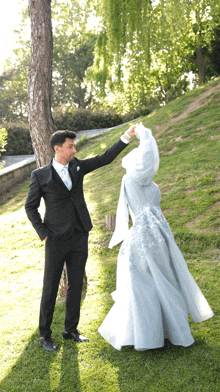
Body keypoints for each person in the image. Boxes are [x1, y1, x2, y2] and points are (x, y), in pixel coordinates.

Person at [98, 122, 214, 351]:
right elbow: (149, 160)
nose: (144, 162)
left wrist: (144, 137)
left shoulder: (146, 180)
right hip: (146, 237)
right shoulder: (132, 178)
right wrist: (144, 136)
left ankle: (166, 331)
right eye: (140, 160)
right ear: (135, 163)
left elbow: (149, 164)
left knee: (164, 281)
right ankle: (151, 334)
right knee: (149, 285)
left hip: (157, 235)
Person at [25, 127, 136, 352]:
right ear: (57, 149)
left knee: (76, 285)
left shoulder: (78, 166)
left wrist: (127, 137)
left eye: (74, 146)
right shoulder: (40, 175)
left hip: (79, 235)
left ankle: (70, 330)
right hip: (55, 240)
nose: (74, 149)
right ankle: (45, 336)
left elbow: (105, 158)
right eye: (70, 146)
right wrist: (44, 234)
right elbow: (30, 207)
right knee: (50, 288)